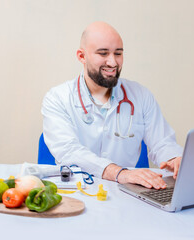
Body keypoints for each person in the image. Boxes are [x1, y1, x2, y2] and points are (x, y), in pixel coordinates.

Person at [41, 21, 182, 189]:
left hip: (128, 194)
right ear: (81, 56)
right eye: (103, 53)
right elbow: (69, 151)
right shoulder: (58, 98)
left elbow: (162, 142)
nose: (113, 63)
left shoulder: (141, 95)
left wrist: (175, 159)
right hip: (79, 191)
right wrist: (119, 173)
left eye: (118, 53)